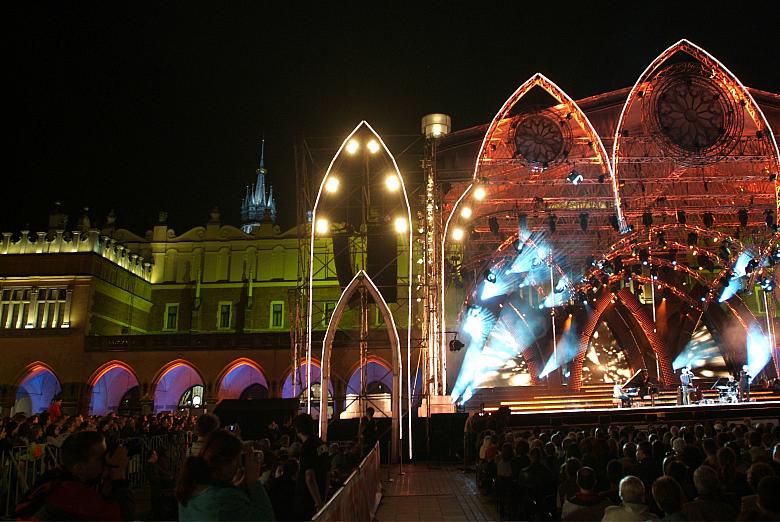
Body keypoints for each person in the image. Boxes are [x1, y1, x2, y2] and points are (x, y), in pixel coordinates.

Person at [15, 431, 134, 520]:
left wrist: (108, 483)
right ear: (79, 468)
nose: (105, 461)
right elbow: (120, 517)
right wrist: (119, 476)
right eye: (100, 458)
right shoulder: (70, 492)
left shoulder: (56, 478)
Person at [176, 429, 274, 521]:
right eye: (237, 460)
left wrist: (239, 485)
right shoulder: (226, 499)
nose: (238, 467)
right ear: (225, 463)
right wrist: (253, 482)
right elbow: (267, 518)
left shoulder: (189, 488)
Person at [293, 413, 329, 520]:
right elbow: (328, 472)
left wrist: (318, 503)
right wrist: (324, 498)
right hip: (321, 495)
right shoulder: (321, 444)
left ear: (298, 429)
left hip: (308, 500)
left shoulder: (307, 447)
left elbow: (309, 476)